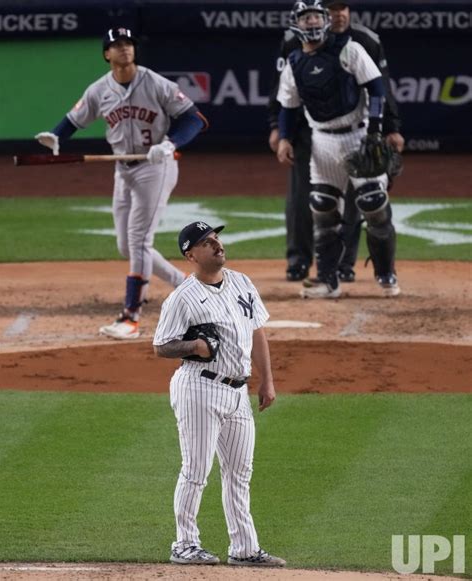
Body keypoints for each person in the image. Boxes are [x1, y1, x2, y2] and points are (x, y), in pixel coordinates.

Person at [35, 27, 208, 340]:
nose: (125, 48)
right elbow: (74, 120)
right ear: (107, 54)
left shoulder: (155, 83)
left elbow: (195, 118)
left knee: (139, 241)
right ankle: (187, 287)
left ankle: (131, 317)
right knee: (127, 246)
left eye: (129, 43)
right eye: (117, 45)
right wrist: (56, 137)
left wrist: (170, 143)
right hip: (122, 169)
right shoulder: (99, 89)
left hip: (155, 167)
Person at [153, 221, 286, 568]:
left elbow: (258, 332)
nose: (216, 244)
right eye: (206, 242)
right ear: (191, 254)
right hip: (199, 386)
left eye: (216, 238)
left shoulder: (242, 283)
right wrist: (194, 345)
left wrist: (266, 380)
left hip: (237, 390)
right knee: (196, 469)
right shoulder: (182, 298)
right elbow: (161, 346)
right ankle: (184, 544)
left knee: (240, 472)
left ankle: (244, 548)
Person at [268, 0, 404, 283]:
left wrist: (384, 128)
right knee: (313, 202)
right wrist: (281, 134)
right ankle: (309, 267)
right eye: (329, 10)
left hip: (358, 131)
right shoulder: (292, 49)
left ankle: (359, 267)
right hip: (312, 135)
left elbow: (380, 87)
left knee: (367, 200)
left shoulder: (360, 43)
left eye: (341, 8)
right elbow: (284, 99)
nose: (335, 15)